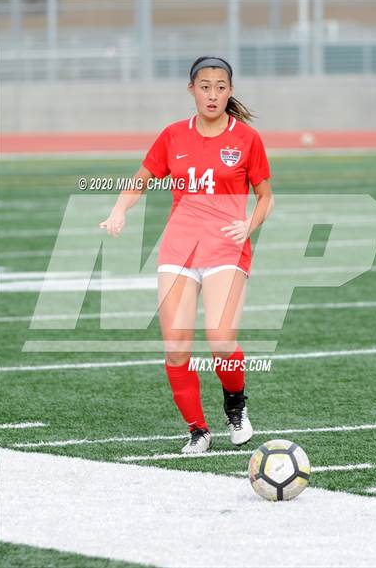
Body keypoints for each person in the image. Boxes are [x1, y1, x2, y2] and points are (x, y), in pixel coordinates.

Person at [99, 56, 273, 454]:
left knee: (221, 340)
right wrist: (119, 209)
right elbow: (140, 180)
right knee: (177, 347)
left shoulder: (246, 138)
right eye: (205, 86)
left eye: (221, 86)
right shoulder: (173, 136)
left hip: (226, 248)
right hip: (178, 248)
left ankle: (236, 405)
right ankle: (198, 429)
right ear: (191, 90)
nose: (213, 94)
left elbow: (265, 197)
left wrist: (250, 225)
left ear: (230, 91)